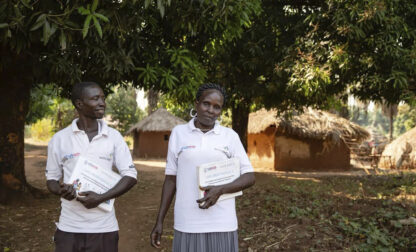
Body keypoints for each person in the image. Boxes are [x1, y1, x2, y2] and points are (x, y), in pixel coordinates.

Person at [150, 83, 255, 252]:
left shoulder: (230, 137)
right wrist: (159, 221)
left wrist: (220, 190)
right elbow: (170, 180)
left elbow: (249, 176)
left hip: (222, 222)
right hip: (187, 222)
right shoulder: (179, 133)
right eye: (206, 104)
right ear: (196, 103)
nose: (211, 110)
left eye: (217, 107)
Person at [45, 82, 137, 252]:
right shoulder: (59, 139)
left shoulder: (113, 137)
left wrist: (101, 198)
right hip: (69, 228)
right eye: (95, 99)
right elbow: (51, 179)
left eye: (103, 98)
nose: (102, 103)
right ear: (80, 104)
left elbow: (130, 175)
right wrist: (62, 190)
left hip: (104, 228)